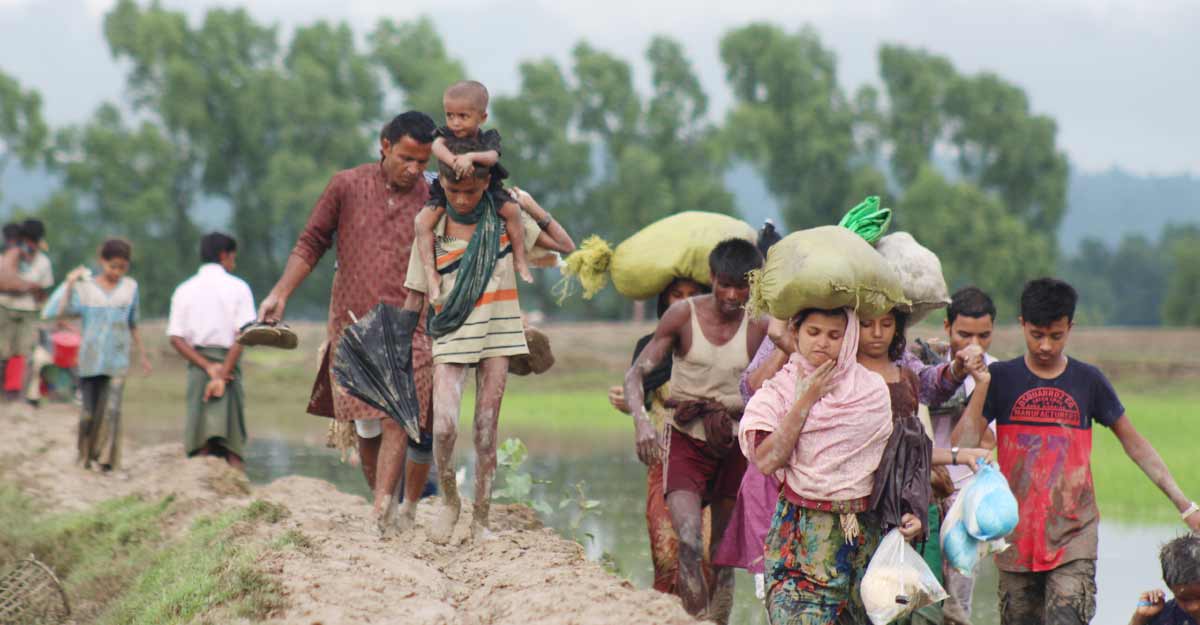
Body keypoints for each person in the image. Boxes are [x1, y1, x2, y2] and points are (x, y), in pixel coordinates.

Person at [954, 278, 1200, 625]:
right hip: (1014, 540)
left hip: (1073, 537)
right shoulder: (1001, 378)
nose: (1045, 345)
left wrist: (1184, 504)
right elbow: (962, 444)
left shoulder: (1088, 381)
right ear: (1022, 323)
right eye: (1036, 334)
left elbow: (1135, 444)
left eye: (1056, 335)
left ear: (1071, 326)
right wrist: (981, 387)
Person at [258, 111, 439, 532]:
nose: (414, 169)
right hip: (353, 323)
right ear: (385, 146)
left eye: (423, 161)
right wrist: (280, 293)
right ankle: (383, 500)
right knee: (367, 426)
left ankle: (381, 510)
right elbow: (312, 241)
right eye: (406, 158)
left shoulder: (434, 197)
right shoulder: (347, 185)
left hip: (409, 324)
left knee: (398, 414)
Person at [401, 134, 574, 542]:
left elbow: (565, 246)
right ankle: (449, 501)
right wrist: (397, 344)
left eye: (472, 191)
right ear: (441, 185)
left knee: (484, 428)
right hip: (450, 334)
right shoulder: (432, 226)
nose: (462, 199)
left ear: (486, 187)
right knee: (443, 426)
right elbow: (415, 293)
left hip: (498, 334)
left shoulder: (504, 220)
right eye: (454, 190)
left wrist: (529, 204)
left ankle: (480, 519)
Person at [624, 238, 768, 622]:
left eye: (742, 287)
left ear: (754, 285)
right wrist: (641, 421)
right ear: (711, 278)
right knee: (687, 542)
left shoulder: (760, 328)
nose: (732, 295)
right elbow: (636, 373)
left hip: (735, 442)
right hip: (686, 439)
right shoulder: (681, 316)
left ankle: (716, 617)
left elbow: (775, 386)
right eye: (725, 284)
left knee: (720, 551)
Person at [741, 307, 902, 624]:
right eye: (813, 332)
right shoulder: (778, 391)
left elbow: (885, 464)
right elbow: (767, 459)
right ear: (796, 333)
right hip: (800, 534)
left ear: (850, 337)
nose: (823, 343)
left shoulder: (871, 391)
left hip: (860, 535)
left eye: (834, 335)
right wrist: (805, 400)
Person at [608, 277, 709, 594]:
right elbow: (642, 397)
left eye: (693, 296)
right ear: (663, 302)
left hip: (712, 464)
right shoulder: (650, 348)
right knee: (666, 555)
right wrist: (630, 406)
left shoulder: (721, 347)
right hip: (663, 466)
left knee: (706, 558)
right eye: (676, 295)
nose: (683, 303)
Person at [911, 286, 1000, 621]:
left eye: (983, 335)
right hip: (923, 489)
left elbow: (975, 439)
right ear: (947, 329)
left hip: (964, 494)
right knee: (920, 593)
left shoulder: (995, 373)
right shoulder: (924, 363)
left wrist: (981, 385)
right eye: (964, 334)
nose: (973, 344)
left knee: (957, 604)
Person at [416, 80, 529, 302]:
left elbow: (492, 157)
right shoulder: (444, 134)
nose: (455, 123)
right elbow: (436, 147)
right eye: (450, 115)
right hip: (448, 186)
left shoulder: (488, 138)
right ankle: (430, 271)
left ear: (482, 117)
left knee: (513, 212)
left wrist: (470, 157)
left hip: (485, 187)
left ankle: (520, 259)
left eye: (463, 116)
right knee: (422, 223)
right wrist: (453, 160)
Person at [44, 238, 151, 471]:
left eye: (122, 267)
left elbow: (133, 323)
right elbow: (62, 315)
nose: (117, 272)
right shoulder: (85, 288)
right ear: (102, 262)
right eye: (113, 266)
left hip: (118, 359)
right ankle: (85, 455)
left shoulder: (130, 288)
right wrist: (70, 284)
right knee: (88, 414)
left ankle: (106, 461)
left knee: (112, 411)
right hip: (90, 360)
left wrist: (142, 354)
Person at [167, 232, 256, 469]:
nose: (233, 264)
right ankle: (239, 495)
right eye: (232, 258)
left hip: (199, 368)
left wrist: (209, 369)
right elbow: (245, 334)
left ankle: (198, 490)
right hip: (230, 366)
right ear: (223, 255)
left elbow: (176, 338)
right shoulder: (239, 287)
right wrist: (224, 372)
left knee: (199, 438)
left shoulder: (184, 289)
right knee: (232, 440)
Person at [0, 219, 54, 403]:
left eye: (33, 240)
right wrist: (26, 286)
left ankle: (16, 394)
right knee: (3, 351)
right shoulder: (8, 257)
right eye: (27, 239)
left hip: (28, 311)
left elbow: (43, 291)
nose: (29, 244)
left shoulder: (43, 263)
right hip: (5, 307)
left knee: (23, 352)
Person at [1130, 534, 1200, 625]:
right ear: (1171, 588)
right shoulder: (1167, 617)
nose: (1195, 607)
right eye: (1185, 600)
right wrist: (1139, 619)